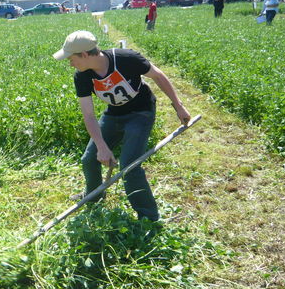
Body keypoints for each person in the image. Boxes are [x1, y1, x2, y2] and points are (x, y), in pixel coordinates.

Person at [52, 31, 191, 221]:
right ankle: (94, 196)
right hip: (114, 114)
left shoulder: (126, 59)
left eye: (71, 58)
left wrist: (178, 106)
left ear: (84, 55)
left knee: (129, 166)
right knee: (89, 159)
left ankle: (148, 218)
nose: (70, 63)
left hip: (141, 113)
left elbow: (158, 76)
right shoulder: (82, 76)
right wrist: (102, 147)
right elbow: (89, 115)